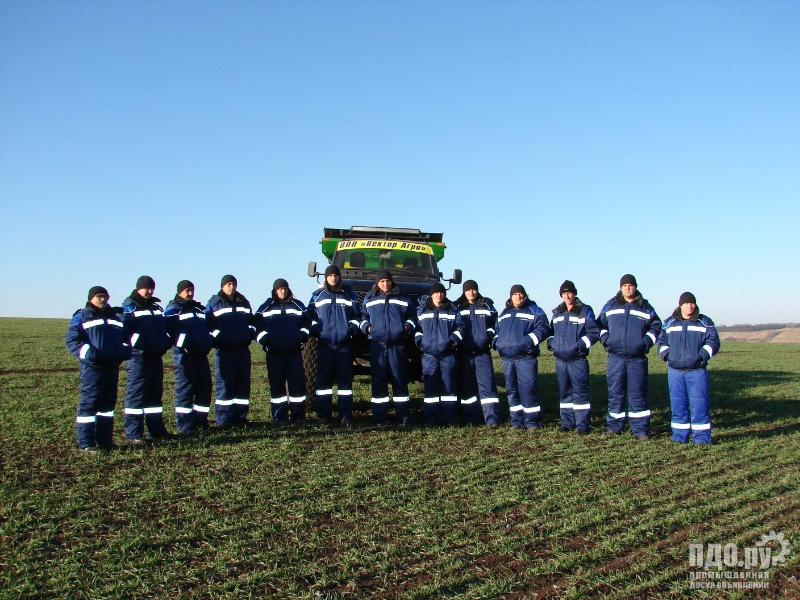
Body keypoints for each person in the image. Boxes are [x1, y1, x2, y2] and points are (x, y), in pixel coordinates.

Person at [65, 286, 132, 453]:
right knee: (89, 405)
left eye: (105, 296)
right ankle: (86, 442)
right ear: (91, 298)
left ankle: (105, 440)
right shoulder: (82, 316)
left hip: (111, 367)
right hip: (93, 369)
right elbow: (73, 341)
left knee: (107, 407)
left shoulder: (115, 317)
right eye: (98, 296)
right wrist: (92, 355)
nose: (102, 299)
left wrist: (123, 351)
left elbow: (125, 337)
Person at [597, 274, 662, 440]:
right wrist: (606, 340)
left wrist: (645, 342)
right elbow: (600, 325)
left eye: (630, 285)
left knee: (637, 393)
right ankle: (614, 427)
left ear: (635, 287)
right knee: (615, 392)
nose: (627, 288)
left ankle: (640, 429)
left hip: (637, 359)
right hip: (615, 357)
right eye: (624, 285)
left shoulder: (646, 307)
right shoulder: (610, 305)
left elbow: (656, 326)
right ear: (620, 288)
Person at [657, 292, 721, 444]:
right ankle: (679, 437)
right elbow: (662, 342)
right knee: (678, 404)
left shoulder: (704, 322)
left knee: (699, 404)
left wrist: (702, 356)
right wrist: (667, 356)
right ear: (680, 305)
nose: (689, 306)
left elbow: (713, 342)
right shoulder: (669, 323)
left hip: (697, 372)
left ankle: (702, 439)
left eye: (692, 303)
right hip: (675, 372)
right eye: (686, 303)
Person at [360, 270, 416, 426]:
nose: (385, 284)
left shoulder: (403, 298)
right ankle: (379, 417)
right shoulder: (369, 299)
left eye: (388, 281)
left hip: (397, 345)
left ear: (392, 282)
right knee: (378, 381)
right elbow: (363, 317)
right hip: (377, 345)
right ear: (377, 283)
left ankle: (403, 415)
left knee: (399, 379)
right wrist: (368, 328)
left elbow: (412, 316)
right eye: (382, 281)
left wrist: (406, 328)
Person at [121, 275, 173, 444]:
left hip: (156, 357)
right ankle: (134, 433)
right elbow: (125, 331)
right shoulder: (128, 307)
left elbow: (164, 328)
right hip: (139, 359)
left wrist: (164, 342)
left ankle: (156, 430)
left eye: (152, 288)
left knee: (154, 397)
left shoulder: (156, 308)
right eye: (146, 288)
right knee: (136, 396)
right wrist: (138, 343)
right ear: (138, 288)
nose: (149, 291)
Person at [308, 265, 361, 425]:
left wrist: (351, 330)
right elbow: (310, 316)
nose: (333, 278)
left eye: (336, 276)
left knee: (345, 382)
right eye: (330, 276)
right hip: (325, 345)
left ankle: (345, 415)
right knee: (323, 381)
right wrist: (316, 330)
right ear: (326, 278)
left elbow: (356, 316)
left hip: (344, 345)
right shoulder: (317, 296)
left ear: (339, 277)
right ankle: (324, 415)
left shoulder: (349, 295)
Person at [494, 284, 550, 429]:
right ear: (511, 296)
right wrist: (496, 342)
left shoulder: (534, 310)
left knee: (528, 389)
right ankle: (516, 421)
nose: (518, 296)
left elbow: (543, 328)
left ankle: (532, 422)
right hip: (507, 359)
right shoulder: (505, 312)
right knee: (512, 391)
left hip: (525, 358)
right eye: (515, 294)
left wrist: (528, 341)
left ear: (524, 295)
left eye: (520, 294)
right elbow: (497, 330)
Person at [547, 280, 600, 434]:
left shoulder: (585, 310)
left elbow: (593, 332)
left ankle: (582, 425)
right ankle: (567, 422)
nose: (567, 296)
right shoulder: (557, 312)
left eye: (570, 292)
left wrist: (579, 346)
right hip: (560, 360)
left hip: (577, 359)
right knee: (564, 392)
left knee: (580, 392)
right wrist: (552, 344)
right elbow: (551, 332)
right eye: (564, 293)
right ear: (561, 295)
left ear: (574, 293)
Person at [255, 278, 310, 425]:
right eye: (280, 289)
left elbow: (307, 321)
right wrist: (265, 339)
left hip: (294, 353)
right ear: (275, 290)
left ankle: (298, 415)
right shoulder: (266, 307)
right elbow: (257, 325)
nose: (283, 291)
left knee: (297, 384)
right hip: (274, 354)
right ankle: (280, 416)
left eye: (285, 288)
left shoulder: (298, 306)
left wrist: (303, 334)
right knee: (277, 385)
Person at [205, 274, 255, 427]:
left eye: (233, 284)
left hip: (242, 350)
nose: (231, 287)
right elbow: (208, 325)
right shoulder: (214, 303)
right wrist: (219, 338)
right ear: (223, 286)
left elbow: (251, 322)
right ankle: (224, 419)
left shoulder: (243, 302)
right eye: (229, 284)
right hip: (224, 351)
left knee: (242, 384)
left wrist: (249, 334)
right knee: (225, 385)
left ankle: (240, 417)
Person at [164, 280, 213, 435]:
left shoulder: (199, 309)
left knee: (204, 389)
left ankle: (201, 421)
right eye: (187, 290)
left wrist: (208, 341)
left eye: (192, 290)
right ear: (179, 292)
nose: (190, 293)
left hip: (201, 355)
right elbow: (170, 332)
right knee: (185, 390)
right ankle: (185, 425)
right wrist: (185, 344)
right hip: (185, 357)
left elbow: (207, 328)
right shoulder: (173, 310)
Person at [415, 283, 465, 426]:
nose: (439, 295)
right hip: (429, 355)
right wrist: (420, 341)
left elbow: (460, 328)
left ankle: (450, 419)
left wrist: (453, 341)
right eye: (436, 293)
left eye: (441, 292)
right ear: (431, 295)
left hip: (447, 355)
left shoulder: (453, 310)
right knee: (430, 387)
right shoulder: (422, 311)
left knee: (449, 386)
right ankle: (431, 419)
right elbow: (417, 329)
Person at [455, 280, 500, 427]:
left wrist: (488, 335)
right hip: (464, 353)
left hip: (482, 353)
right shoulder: (457, 306)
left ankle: (491, 418)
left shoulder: (487, 305)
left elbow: (495, 324)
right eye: (468, 290)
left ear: (477, 290)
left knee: (487, 386)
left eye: (473, 290)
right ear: (464, 292)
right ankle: (471, 418)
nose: (471, 292)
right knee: (467, 387)